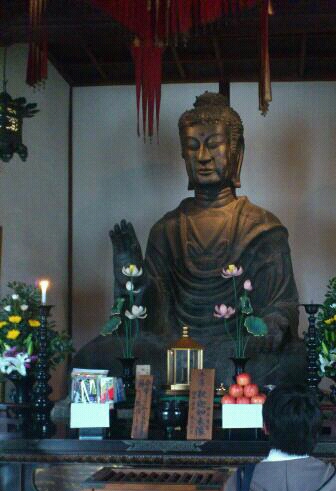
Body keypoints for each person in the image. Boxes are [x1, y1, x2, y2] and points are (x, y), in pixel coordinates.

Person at [74, 92, 305, 386]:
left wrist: (274, 322)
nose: (203, 157)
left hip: (235, 347)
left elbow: (282, 303)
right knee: (92, 356)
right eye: (192, 147)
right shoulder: (166, 230)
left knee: (297, 359)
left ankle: (198, 376)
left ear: (236, 152)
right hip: (174, 347)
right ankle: (215, 377)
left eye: (214, 145)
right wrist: (132, 276)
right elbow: (147, 320)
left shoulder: (263, 227)